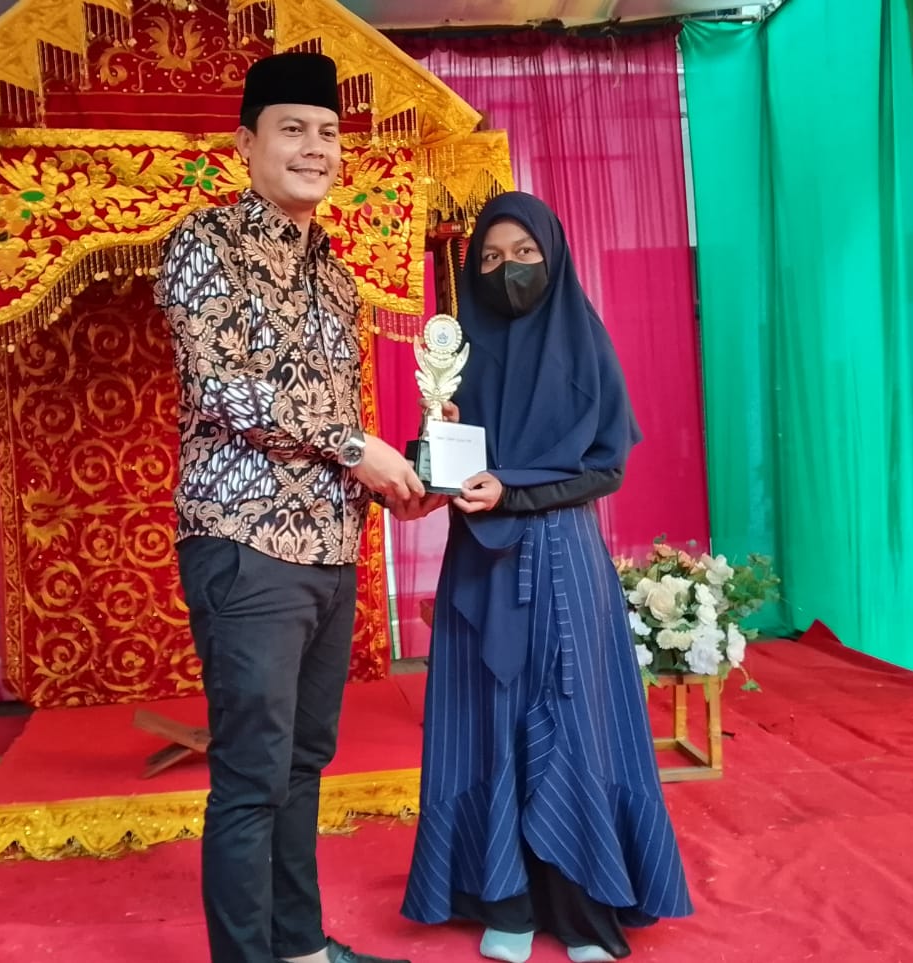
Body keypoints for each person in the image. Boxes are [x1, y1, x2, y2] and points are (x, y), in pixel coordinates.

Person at [156, 52, 423, 963]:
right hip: (246, 541)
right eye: (293, 129)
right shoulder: (206, 242)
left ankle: (300, 947)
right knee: (251, 773)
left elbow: (337, 422)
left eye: (329, 132)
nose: (316, 148)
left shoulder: (335, 276)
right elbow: (223, 387)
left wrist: (393, 480)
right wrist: (357, 448)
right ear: (246, 143)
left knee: (304, 762)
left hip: (330, 548)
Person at [401, 192, 693, 962]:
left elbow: (605, 468)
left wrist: (516, 489)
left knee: (570, 719)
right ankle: (503, 897)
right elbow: (440, 464)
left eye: (524, 254)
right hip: (481, 558)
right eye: (492, 258)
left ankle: (580, 905)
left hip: (563, 556)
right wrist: (434, 442)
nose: (509, 270)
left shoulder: (584, 343)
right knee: (485, 722)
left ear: (553, 256)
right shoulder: (460, 352)